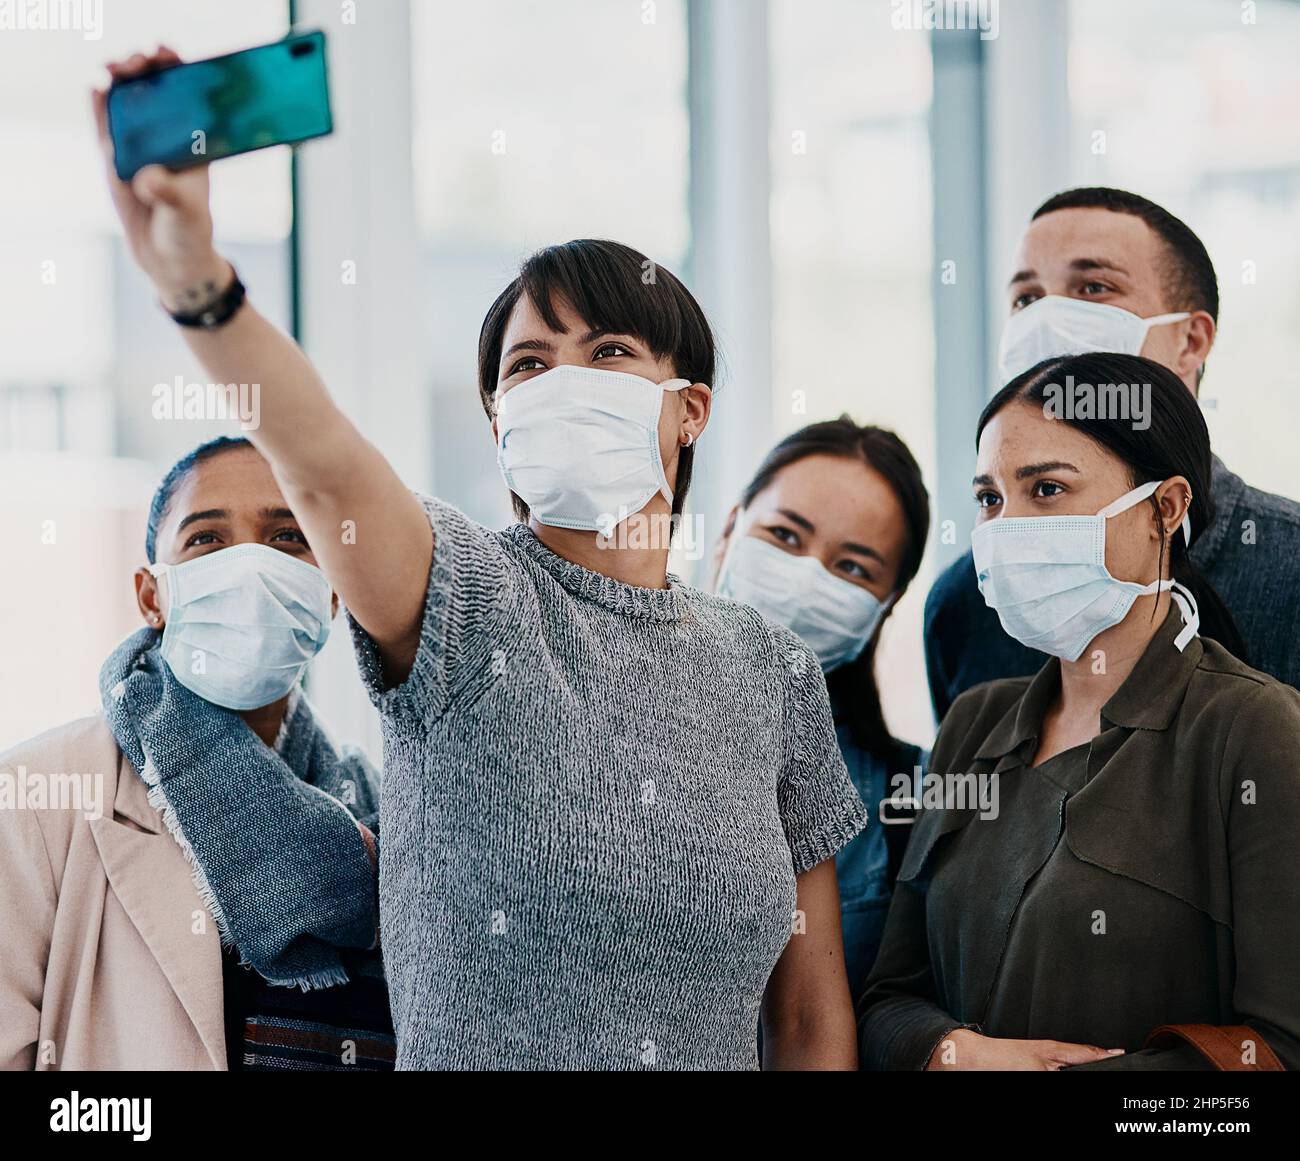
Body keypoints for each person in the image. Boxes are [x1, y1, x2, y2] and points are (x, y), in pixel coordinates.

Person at [93, 48, 869, 1070]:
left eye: (609, 353)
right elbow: (319, 463)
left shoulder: (771, 671)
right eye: (528, 365)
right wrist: (198, 284)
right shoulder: (465, 600)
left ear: (689, 412)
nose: (563, 381)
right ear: (499, 420)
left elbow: (810, 1021)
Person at [859, 352, 1300, 1071]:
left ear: (1166, 508)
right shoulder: (972, 724)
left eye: (1047, 489)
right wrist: (955, 1052)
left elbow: (1279, 1048)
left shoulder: (1253, 730)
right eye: (991, 498)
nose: (1007, 527)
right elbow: (887, 999)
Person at [0, 436, 394, 1071]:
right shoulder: (37, 798)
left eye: (287, 537)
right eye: (207, 539)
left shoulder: (383, 811)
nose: (248, 565)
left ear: (333, 592)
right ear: (153, 596)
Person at [925, 187, 1300, 722]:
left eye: (1093, 288)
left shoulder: (1289, 569)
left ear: (1190, 341)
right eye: (1027, 299)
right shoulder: (967, 601)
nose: (1048, 323)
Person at [711, 417, 930, 997]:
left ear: (884, 606)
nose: (806, 577)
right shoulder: (591, 725)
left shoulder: (913, 796)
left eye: (852, 567)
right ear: (729, 530)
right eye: (785, 536)